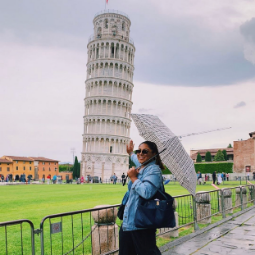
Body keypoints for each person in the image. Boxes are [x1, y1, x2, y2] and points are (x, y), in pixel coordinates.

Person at [119, 140, 164, 255]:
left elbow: (146, 192)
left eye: (145, 151)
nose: (140, 153)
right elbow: (136, 158)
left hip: (142, 223)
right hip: (130, 221)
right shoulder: (142, 166)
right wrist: (130, 153)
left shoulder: (154, 170)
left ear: (154, 154)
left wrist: (133, 178)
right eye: (138, 150)